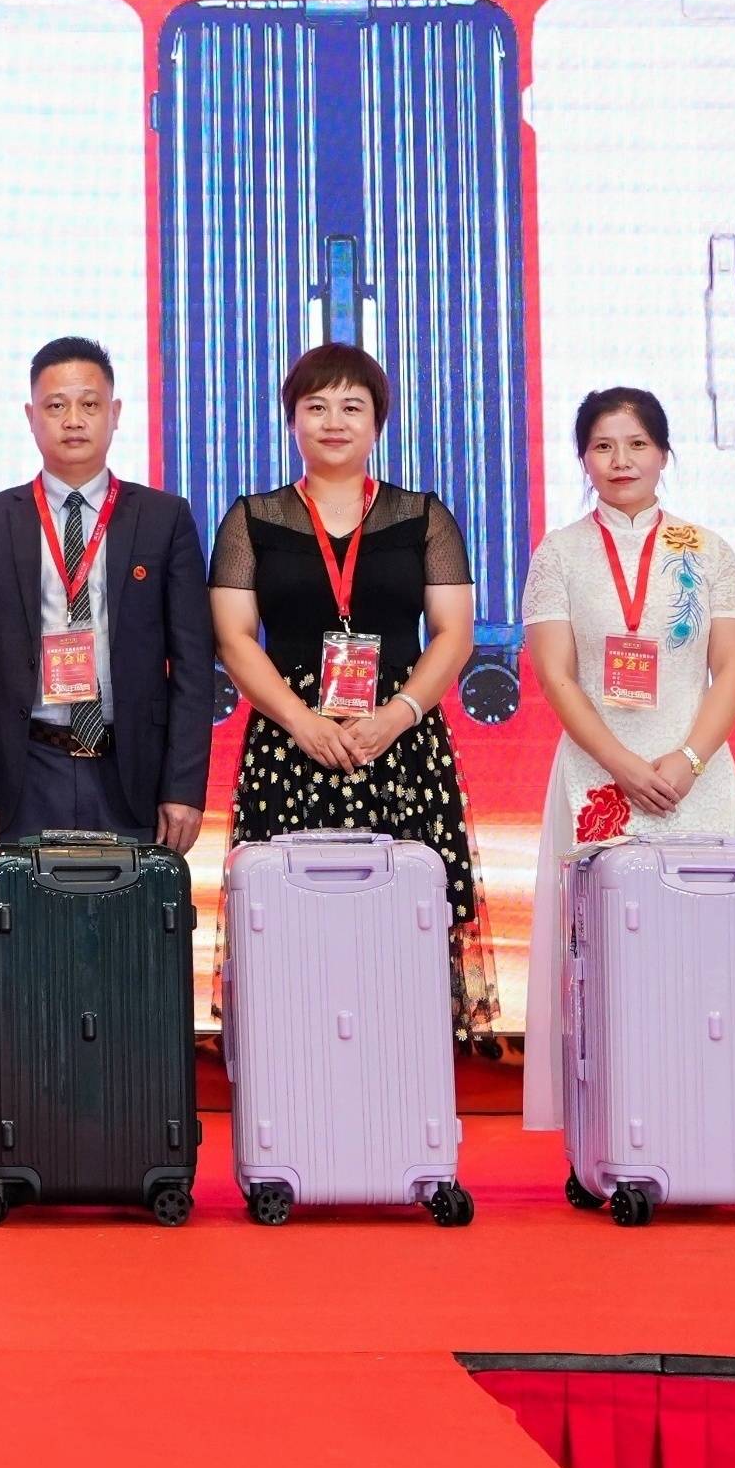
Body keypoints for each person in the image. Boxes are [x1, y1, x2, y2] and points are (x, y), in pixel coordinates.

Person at [210, 341, 493, 1040]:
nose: (333, 421)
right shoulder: (252, 519)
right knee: (291, 929)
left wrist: (398, 714)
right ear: (292, 420)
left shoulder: (423, 517)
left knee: (403, 930)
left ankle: (400, 1065)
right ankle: (295, 1064)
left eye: (351, 407)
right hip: (289, 745)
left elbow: (453, 634)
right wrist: (300, 720)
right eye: (316, 407)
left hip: (401, 746)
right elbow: (235, 638)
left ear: (377, 422)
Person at [517, 385, 735, 1128]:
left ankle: (710, 1119)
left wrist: (689, 757)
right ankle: (606, 1128)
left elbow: (731, 667)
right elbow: (557, 675)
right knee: (603, 961)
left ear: (663, 452)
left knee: (705, 953)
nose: (620, 460)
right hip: (598, 778)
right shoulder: (559, 552)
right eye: (602, 446)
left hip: (697, 776)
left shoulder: (706, 549)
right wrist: (621, 764)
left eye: (637, 444)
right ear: (583, 458)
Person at [0, 337, 218, 857]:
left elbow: (193, 665)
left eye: (89, 404)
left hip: (133, 773)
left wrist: (183, 787)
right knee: (25, 911)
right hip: (24, 770)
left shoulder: (164, 518)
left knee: (130, 912)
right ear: (31, 417)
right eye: (55, 406)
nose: (73, 420)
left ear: (115, 413)